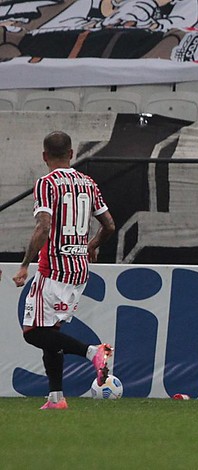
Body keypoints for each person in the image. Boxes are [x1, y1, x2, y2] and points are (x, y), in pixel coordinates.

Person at [11, 131, 116, 410]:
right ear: (71, 154)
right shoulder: (88, 183)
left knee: (33, 331)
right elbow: (109, 225)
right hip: (79, 270)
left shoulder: (47, 183)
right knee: (50, 331)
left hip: (54, 267)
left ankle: (92, 351)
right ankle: (56, 397)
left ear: (44, 156)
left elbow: (44, 226)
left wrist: (24, 265)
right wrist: (92, 245)